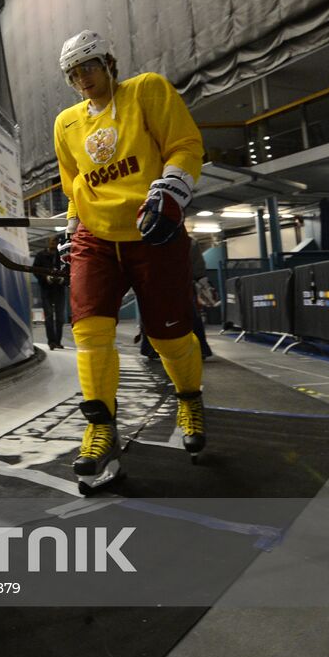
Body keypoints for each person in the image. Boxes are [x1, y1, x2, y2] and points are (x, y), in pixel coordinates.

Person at [53, 31, 206, 495]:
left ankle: (190, 399)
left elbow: (184, 144)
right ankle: (100, 427)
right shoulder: (66, 123)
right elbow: (74, 181)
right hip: (95, 238)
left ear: (109, 62)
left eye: (90, 67)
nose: (83, 79)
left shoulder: (148, 91)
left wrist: (173, 186)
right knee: (89, 333)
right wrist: (71, 227)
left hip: (152, 230)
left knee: (168, 334)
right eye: (74, 73)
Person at [32, 236, 68, 349]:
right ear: (48, 242)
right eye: (52, 241)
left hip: (59, 289)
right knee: (48, 316)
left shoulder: (62, 256)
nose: (54, 243)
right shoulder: (40, 256)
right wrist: (46, 278)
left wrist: (64, 280)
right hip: (46, 289)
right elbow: (36, 270)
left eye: (56, 241)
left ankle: (57, 341)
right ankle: (51, 342)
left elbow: (69, 269)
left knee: (60, 317)